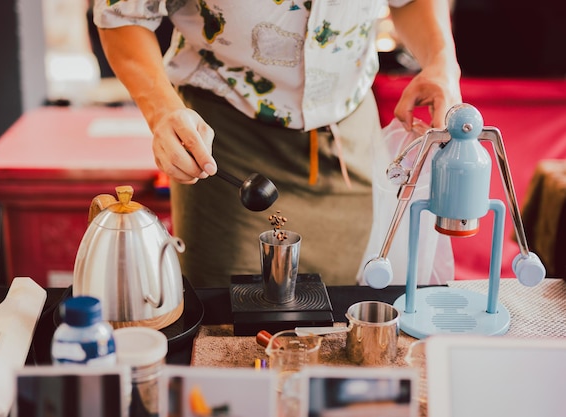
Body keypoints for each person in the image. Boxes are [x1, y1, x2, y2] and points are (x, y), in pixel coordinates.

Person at [92, 0, 461, 288]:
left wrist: (442, 61)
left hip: (351, 144)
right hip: (229, 143)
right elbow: (124, 15)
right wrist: (162, 111)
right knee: (231, 337)